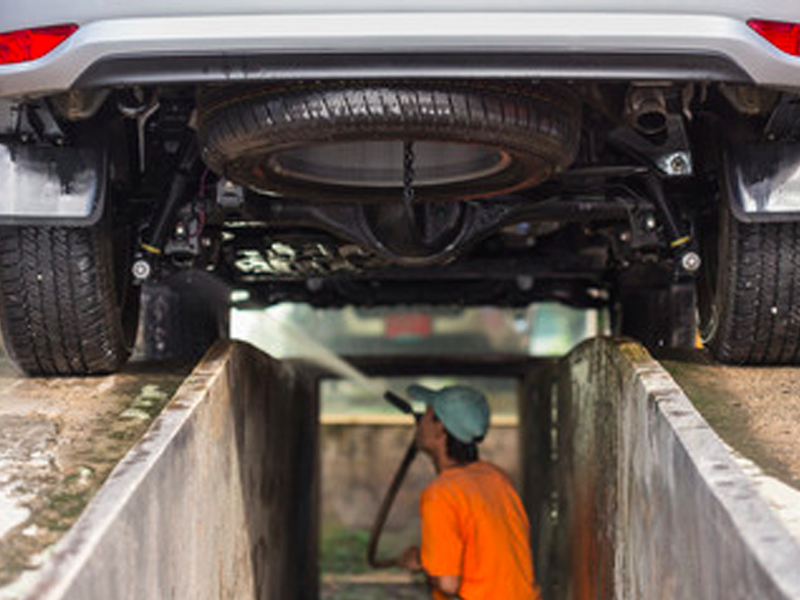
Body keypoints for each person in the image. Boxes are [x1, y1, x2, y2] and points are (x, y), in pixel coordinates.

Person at [396, 384, 542, 600]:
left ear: (440, 428)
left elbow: (447, 582)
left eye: (426, 415)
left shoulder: (441, 494)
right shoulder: (496, 478)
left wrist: (421, 560)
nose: (420, 422)